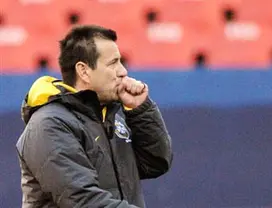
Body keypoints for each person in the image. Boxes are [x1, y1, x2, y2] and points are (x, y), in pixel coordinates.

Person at [16, 25, 173, 208]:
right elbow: (82, 200)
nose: (123, 71)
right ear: (84, 71)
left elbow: (156, 163)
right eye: (113, 63)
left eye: (120, 62)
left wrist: (139, 110)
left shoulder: (112, 116)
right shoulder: (49, 124)